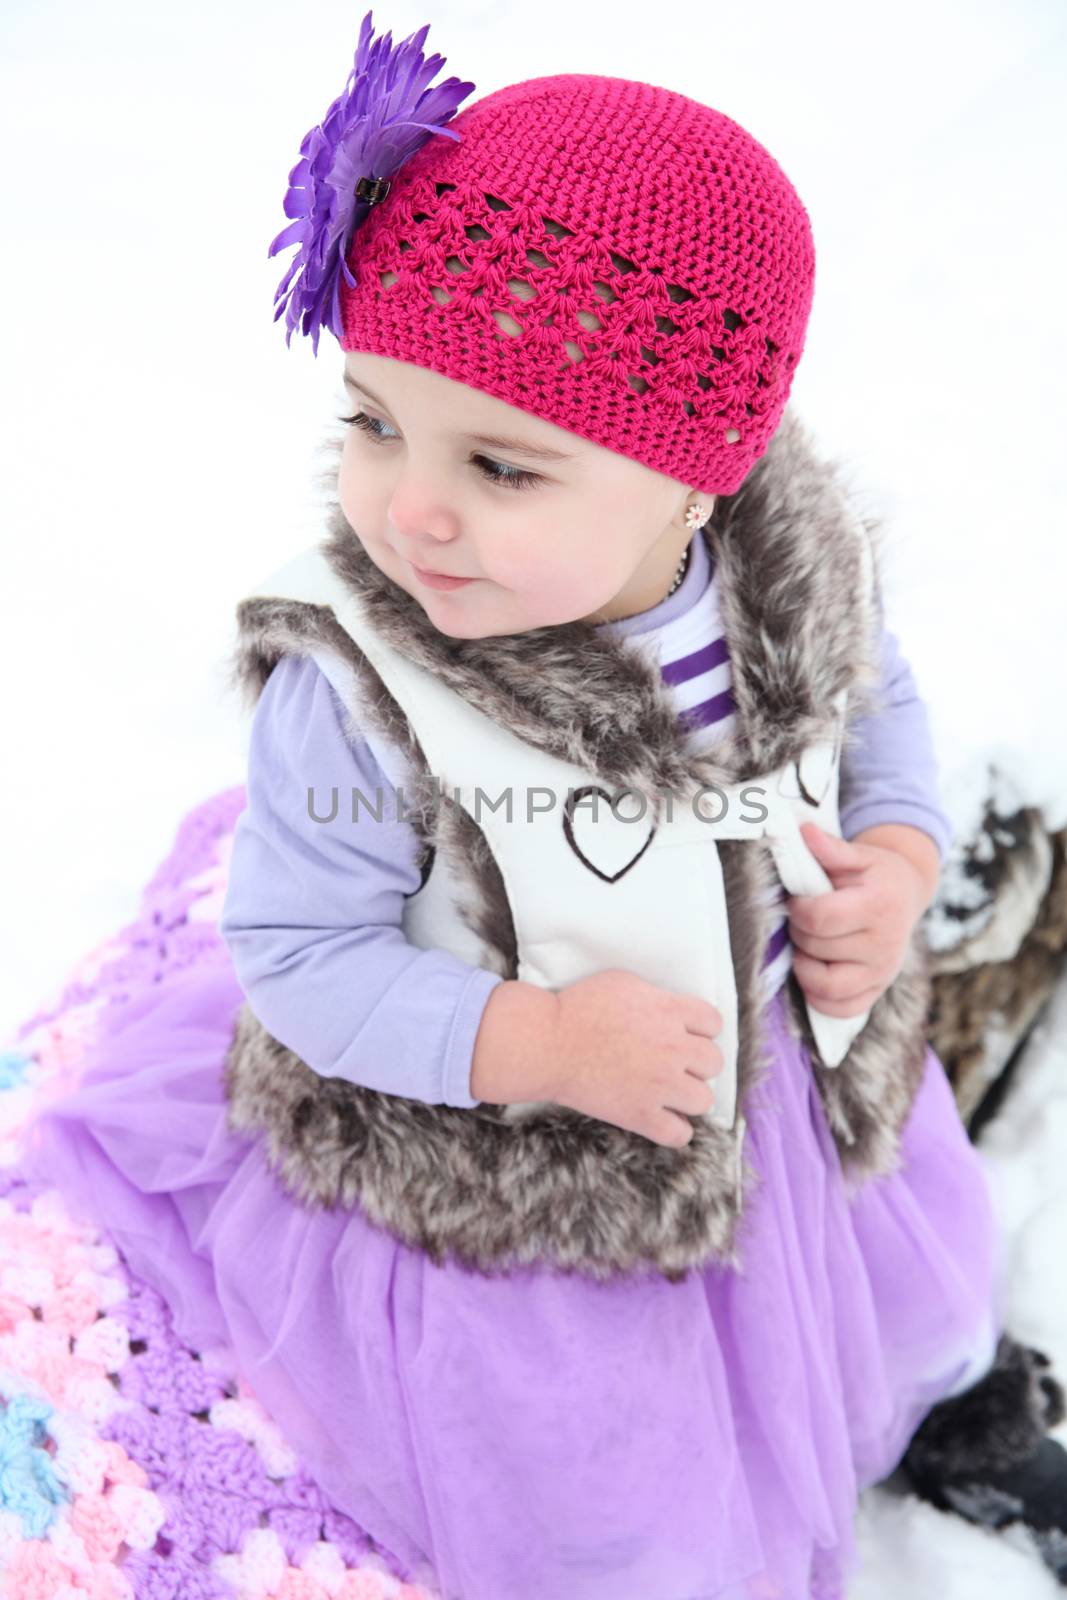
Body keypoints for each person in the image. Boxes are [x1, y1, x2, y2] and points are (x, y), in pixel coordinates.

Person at [17, 12, 1067, 1598]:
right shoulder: (365, 687)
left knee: (893, 1298)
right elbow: (304, 956)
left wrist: (902, 854)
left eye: (502, 466)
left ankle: (928, 1404)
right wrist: (536, 1044)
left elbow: (877, 708)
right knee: (603, 1474)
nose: (411, 507)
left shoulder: (783, 584)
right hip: (516, 1165)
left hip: (776, 1085)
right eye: (372, 421)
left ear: (700, 475)